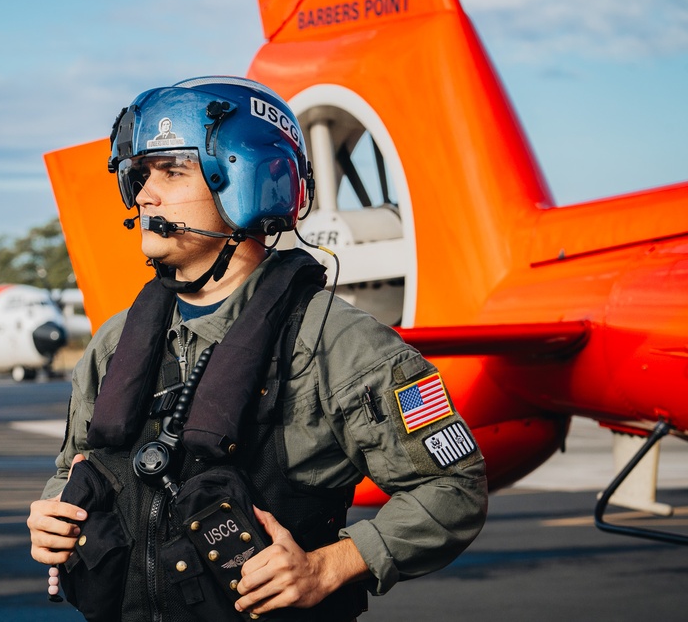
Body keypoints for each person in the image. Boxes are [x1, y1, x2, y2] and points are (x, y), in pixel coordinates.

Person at [28, 75, 487, 621]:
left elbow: (454, 487)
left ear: (248, 181)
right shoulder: (115, 342)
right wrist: (55, 514)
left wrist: (333, 566)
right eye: (140, 175)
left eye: (172, 172)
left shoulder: (336, 343)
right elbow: (71, 466)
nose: (145, 194)